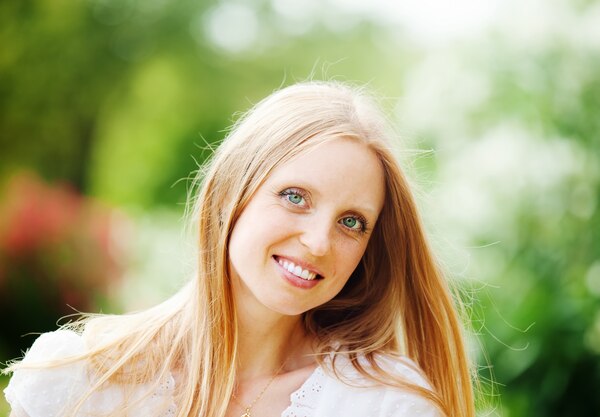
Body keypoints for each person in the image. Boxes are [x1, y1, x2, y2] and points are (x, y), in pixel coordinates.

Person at [3, 81, 475, 417]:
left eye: (351, 222)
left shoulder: (380, 406)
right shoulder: (78, 382)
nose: (318, 242)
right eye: (295, 197)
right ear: (232, 194)